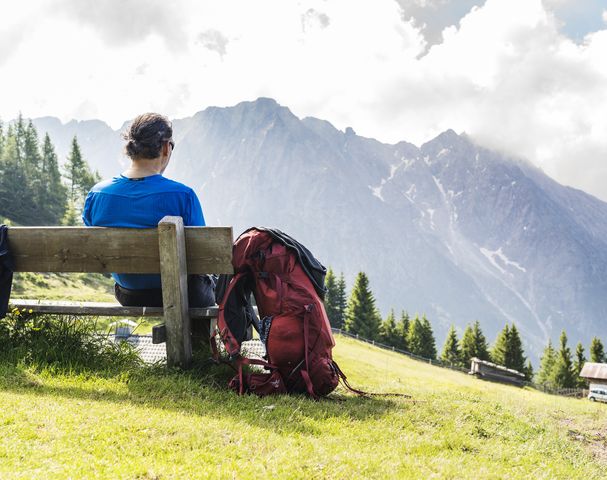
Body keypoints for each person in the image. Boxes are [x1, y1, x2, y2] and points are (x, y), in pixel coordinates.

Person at [82, 112, 216, 309]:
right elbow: (204, 256)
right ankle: (204, 339)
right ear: (164, 147)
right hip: (181, 295)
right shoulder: (183, 195)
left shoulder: (97, 195)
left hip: (128, 294)